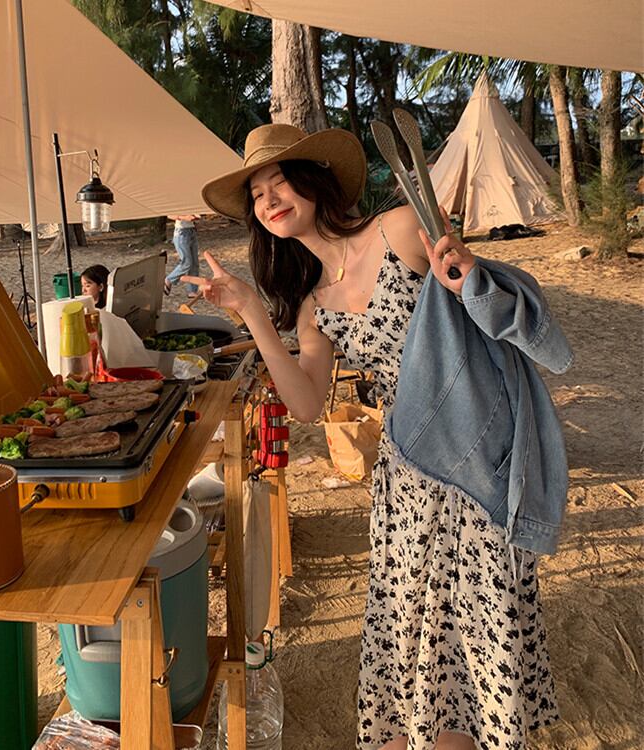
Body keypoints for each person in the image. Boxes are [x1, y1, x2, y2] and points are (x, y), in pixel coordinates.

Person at [184, 124, 572, 750]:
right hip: (408, 475)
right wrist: (252, 312)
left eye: (278, 181)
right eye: (256, 194)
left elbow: (483, 296)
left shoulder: (398, 229)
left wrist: (467, 275)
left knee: (477, 626)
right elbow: (307, 404)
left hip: (478, 462)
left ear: (314, 180)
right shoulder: (313, 303)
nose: (269, 199)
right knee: (413, 629)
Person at [165, 214, 201, 298]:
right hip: (181, 233)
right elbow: (169, 215)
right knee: (186, 262)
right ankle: (169, 279)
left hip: (192, 231)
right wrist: (185, 218)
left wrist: (195, 216)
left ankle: (192, 291)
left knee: (194, 264)